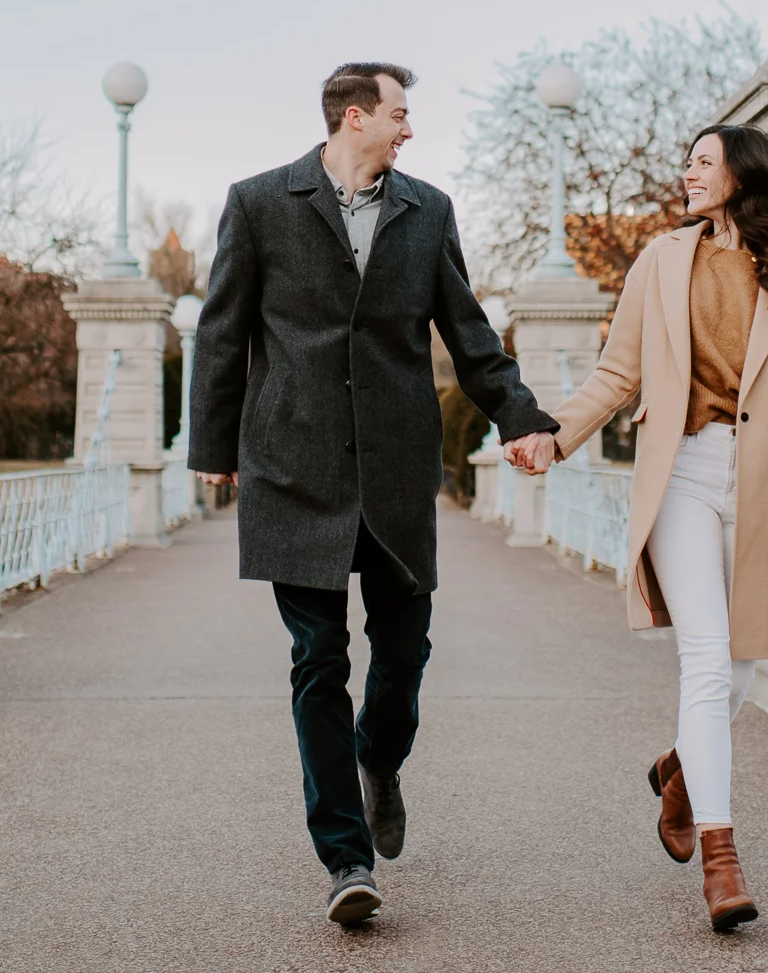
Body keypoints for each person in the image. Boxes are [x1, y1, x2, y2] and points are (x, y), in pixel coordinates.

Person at [190, 62, 559, 926]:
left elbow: (470, 334)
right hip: (294, 469)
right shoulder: (257, 203)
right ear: (354, 117)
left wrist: (521, 418)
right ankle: (345, 856)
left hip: (395, 470)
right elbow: (222, 328)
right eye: (400, 113)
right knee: (317, 661)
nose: (409, 128)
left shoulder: (427, 210)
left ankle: (379, 758)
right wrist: (213, 445)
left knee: (403, 655)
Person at [507, 123, 768, 934]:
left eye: (703, 163)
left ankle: (678, 771)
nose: (688, 174)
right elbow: (618, 372)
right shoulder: (662, 260)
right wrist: (553, 436)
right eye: (688, 162)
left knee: (737, 670)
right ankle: (722, 860)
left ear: (742, 175)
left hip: (759, 481)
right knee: (707, 659)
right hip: (681, 474)